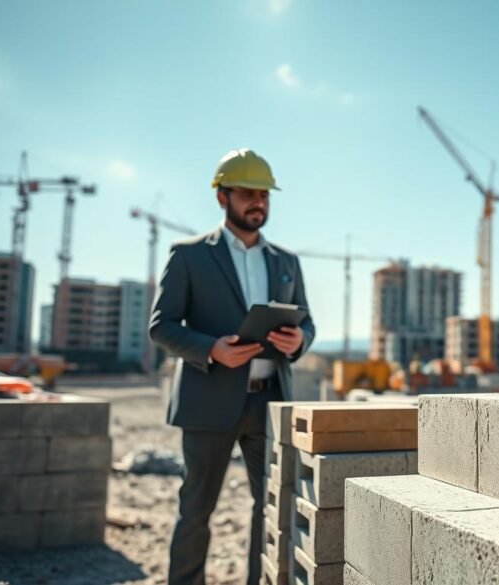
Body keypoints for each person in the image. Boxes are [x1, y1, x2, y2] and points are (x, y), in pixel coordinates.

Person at [149, 148, 315, 585]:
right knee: (196, 512)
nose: (257, 201)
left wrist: (299, 341)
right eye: (247, 193)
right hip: (207, 404)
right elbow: (161, 326)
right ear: (222, 198)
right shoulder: (188, 256)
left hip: (270, 405)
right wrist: (211, 349)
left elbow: (308, 322)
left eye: (264, 194)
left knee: (273, 510)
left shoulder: (286, 261)